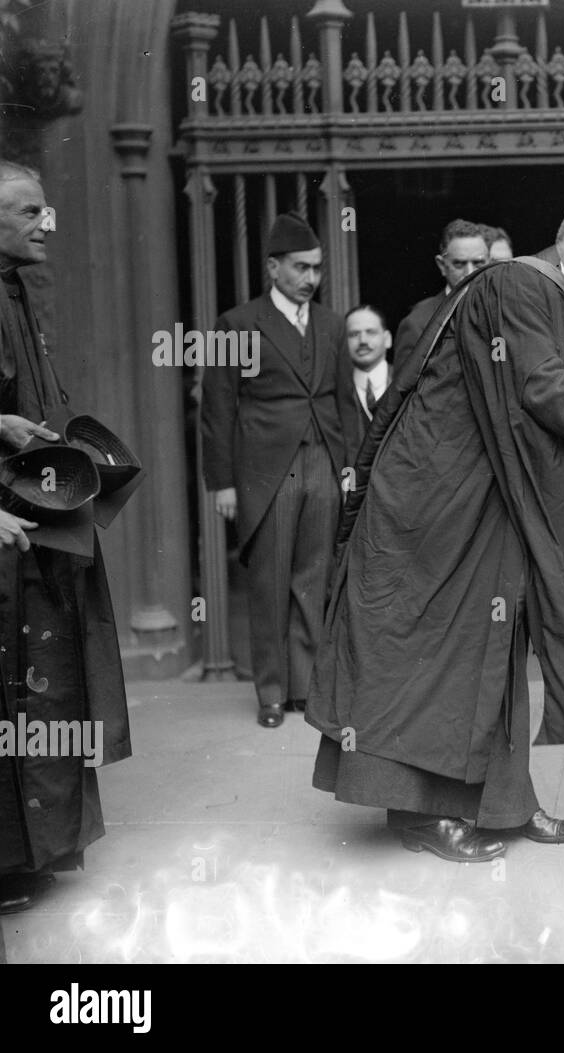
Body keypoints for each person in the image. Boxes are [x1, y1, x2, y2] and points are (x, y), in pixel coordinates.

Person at [307, 196, 564, 865]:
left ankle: (502, 803)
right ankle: (424, 816)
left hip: (469, 499)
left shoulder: (530, 288)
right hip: (438, 506)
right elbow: (545, 393)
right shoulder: (524, 284)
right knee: (440, 658)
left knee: (489, 652)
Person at [0, 161, 131, 916]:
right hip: (9, 525)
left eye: (46, 211)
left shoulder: (16, 289)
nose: (46, 224)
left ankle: (32, 852)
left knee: (43, 680)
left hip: (37, 513)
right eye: (28, 211)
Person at [201, 213, 350, 728]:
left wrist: (349, 469)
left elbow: (346, 404)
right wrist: (222, 482)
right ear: (273, 267)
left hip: (324, 462)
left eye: (317, 269)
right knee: (269, 580)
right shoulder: (237, 324)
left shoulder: (333, 325)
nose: (311, 278)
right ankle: (270, 691)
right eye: (301, 268)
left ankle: (305, 688)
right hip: (266, 470)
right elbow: (217, 408)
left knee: (315, 577)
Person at [391, 219, 489, 374]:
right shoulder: (418, 324)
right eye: (459, 264)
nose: (470, 272)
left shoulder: (503, 312)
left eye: (478, 263)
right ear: (442, 265)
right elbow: (404, 395)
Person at [340, 304, 391, 462]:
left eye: (371, 332)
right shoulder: (336, 391)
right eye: (354, 334)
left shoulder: (408, 383)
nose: (362, 341)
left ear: (387, 339)